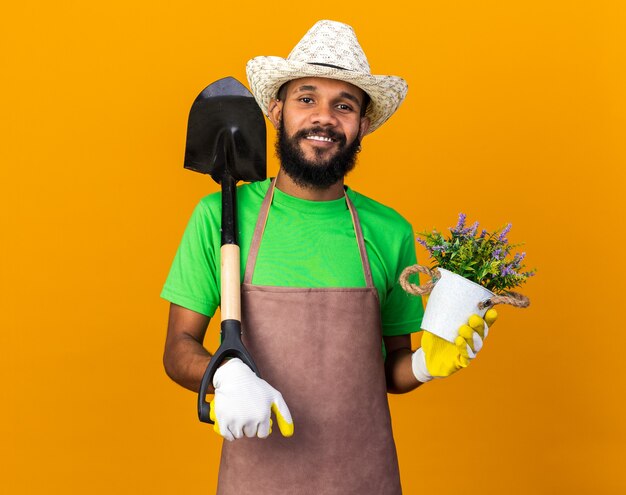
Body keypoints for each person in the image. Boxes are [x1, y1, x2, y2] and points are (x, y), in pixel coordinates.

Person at [162, 20, 497, 495]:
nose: (323, 117)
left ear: (362, 124)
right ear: (276, 111)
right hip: (256, 480)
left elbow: (390, 371)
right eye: (306, 98)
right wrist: (226, 372)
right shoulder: (220, 215)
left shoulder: (389, 230)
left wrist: (425, 365)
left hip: (365, 478)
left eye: (344, 105)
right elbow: (178, 351)